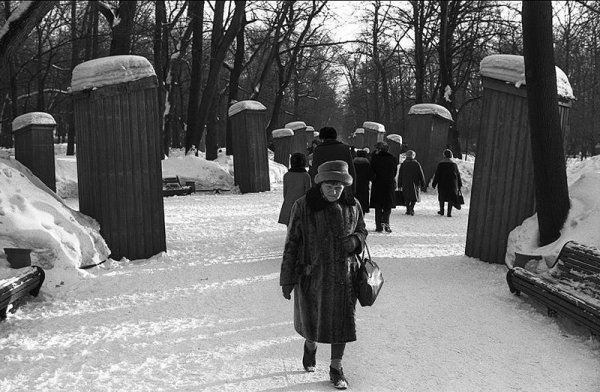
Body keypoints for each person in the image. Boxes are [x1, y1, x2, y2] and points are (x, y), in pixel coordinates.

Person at [280, 160, 367, 390]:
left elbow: (362, 229)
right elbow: (292, 243)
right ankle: (310, 346)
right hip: (312, 277)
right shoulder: (304, 206)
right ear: (320, 183)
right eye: (329, 185)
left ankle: (336, 368)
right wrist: (287, 280)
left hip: (344, 277)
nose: (334, 191)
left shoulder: (352, 204)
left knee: (342, 324)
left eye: (338, 186)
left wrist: (355, 241)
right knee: (313, 323)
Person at [309, 127, 356, 195]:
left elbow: (315, 171)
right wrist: (352, 191)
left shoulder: (318, 150)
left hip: (325, 189)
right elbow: (351, 170)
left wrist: (315, 190)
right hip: (342, 188)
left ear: (322, 138)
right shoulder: (345, 149)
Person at [369, 142, 398, 232]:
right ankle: (386, 223)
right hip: (389, 184)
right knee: (387, 206)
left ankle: (378, 226)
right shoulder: (393, 159)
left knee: (378, 206)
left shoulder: (375, 159)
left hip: (377, 184)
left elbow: (371, 171)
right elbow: (394, 172)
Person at [278, 153, 312, 225]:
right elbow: (308, 192)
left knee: (290, 228)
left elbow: (285, 192)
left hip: (289, 204)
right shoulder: (305, 176)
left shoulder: (287, 175)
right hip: (302, 205)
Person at [431, 149, 463, 217]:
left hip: (442, 183)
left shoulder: (440, 164)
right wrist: (459, 184)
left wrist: (434, 183)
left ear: (444, 155)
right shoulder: (454, 165)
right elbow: (458, 175)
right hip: (452, 184)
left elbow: (437, 175)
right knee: (451, 198)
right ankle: (449, 213)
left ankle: (442, 211)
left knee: (442, 197)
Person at [398, 150, 426, 216]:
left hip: (405, 182)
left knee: (406, 196)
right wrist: (422, 182)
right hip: (415, 182)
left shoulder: (403, 164)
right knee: (414, 196)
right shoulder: (416, 163)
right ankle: (412, 208)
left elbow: (400, 174)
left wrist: (399, 183)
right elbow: (420, 173)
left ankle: (408, 209)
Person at [352, 148, 373, 214]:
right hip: (364, 186)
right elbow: (371, 176)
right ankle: (362, 214)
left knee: (355, 202)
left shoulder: (353, 164)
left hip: (355, 185)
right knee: (363, 202)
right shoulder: (367, 164)